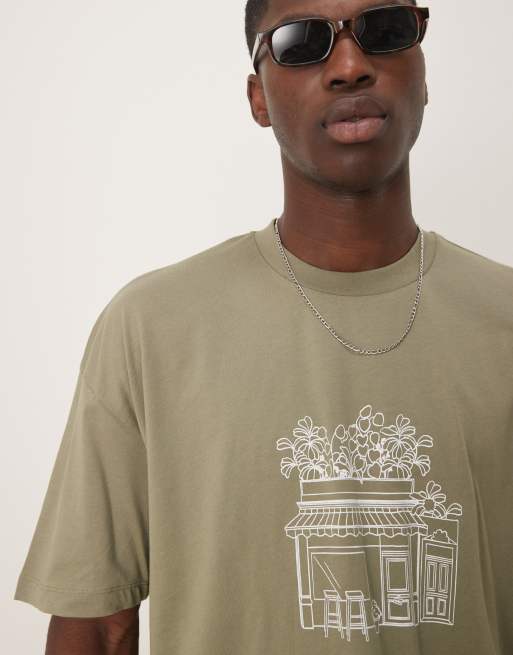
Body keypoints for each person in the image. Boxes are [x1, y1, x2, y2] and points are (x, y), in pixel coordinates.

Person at [13, 0, 513, 653]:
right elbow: (100, 625)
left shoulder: (503, 318)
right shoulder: (151, 328)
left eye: (384, 30)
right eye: (302, 42)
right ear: (258, 98)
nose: (350, 65)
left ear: (422, 73)